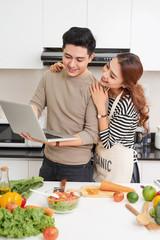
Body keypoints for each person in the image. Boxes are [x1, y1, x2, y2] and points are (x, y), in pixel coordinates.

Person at [51, 52, 149, 183]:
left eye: (112, 76)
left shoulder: (127, 106)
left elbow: (108, 142)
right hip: (101, 163)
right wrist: (65, 69)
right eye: (107, 67)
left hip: (121, 172)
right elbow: (83, 82)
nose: (105, 75)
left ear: (125, 84)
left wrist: (100, 106)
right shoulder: (106, 89)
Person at [21, 27, 99, 182]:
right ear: (62, 50)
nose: (71, 64)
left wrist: (55, 142)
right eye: (67, 56)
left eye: (79, 59)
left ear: (91, 57)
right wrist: (29, 117)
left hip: (77, 167)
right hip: (48, 162)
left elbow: (91, 134)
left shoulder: (94, 88)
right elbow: (36, 103)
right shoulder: (50, 76)